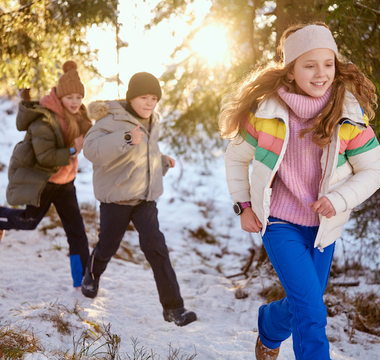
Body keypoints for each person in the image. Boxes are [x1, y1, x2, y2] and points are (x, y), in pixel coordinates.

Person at [219, 23, 380, 360]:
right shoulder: (266, 113)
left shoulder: (348, 115)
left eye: (328, 64)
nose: (321, 73)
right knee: (311, 314)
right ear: (290, 71)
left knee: (302, 304)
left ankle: (269, 325)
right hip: (280, 224)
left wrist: (338, 199)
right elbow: (236, 158)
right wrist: (243, 206)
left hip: (324, 228)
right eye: (309, 65)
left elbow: (373, 170)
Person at [82, 72, 197, 327]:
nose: (149, 103)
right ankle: (91, 274)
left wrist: (161, 161)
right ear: (131, 98)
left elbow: (146, 151)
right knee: (108, 246)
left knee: (157, 249)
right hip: (116, 200)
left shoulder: (151, 120)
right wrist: (125, 138)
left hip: (145, 200)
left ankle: (174, 308)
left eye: (154, 98)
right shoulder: (110, 120)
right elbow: (91, 150)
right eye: (143, 97)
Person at [0, 61, 92, 288]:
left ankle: (83, 281)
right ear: (60, 96)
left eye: (78, 97)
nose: (75, 102)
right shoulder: (45, 119)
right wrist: (73, 150)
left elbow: (92, 132)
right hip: (44, 181)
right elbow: (45, 156)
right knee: (29, 221)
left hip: (66, 183)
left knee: (76, 231)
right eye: (70, 97)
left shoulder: (78, 114)